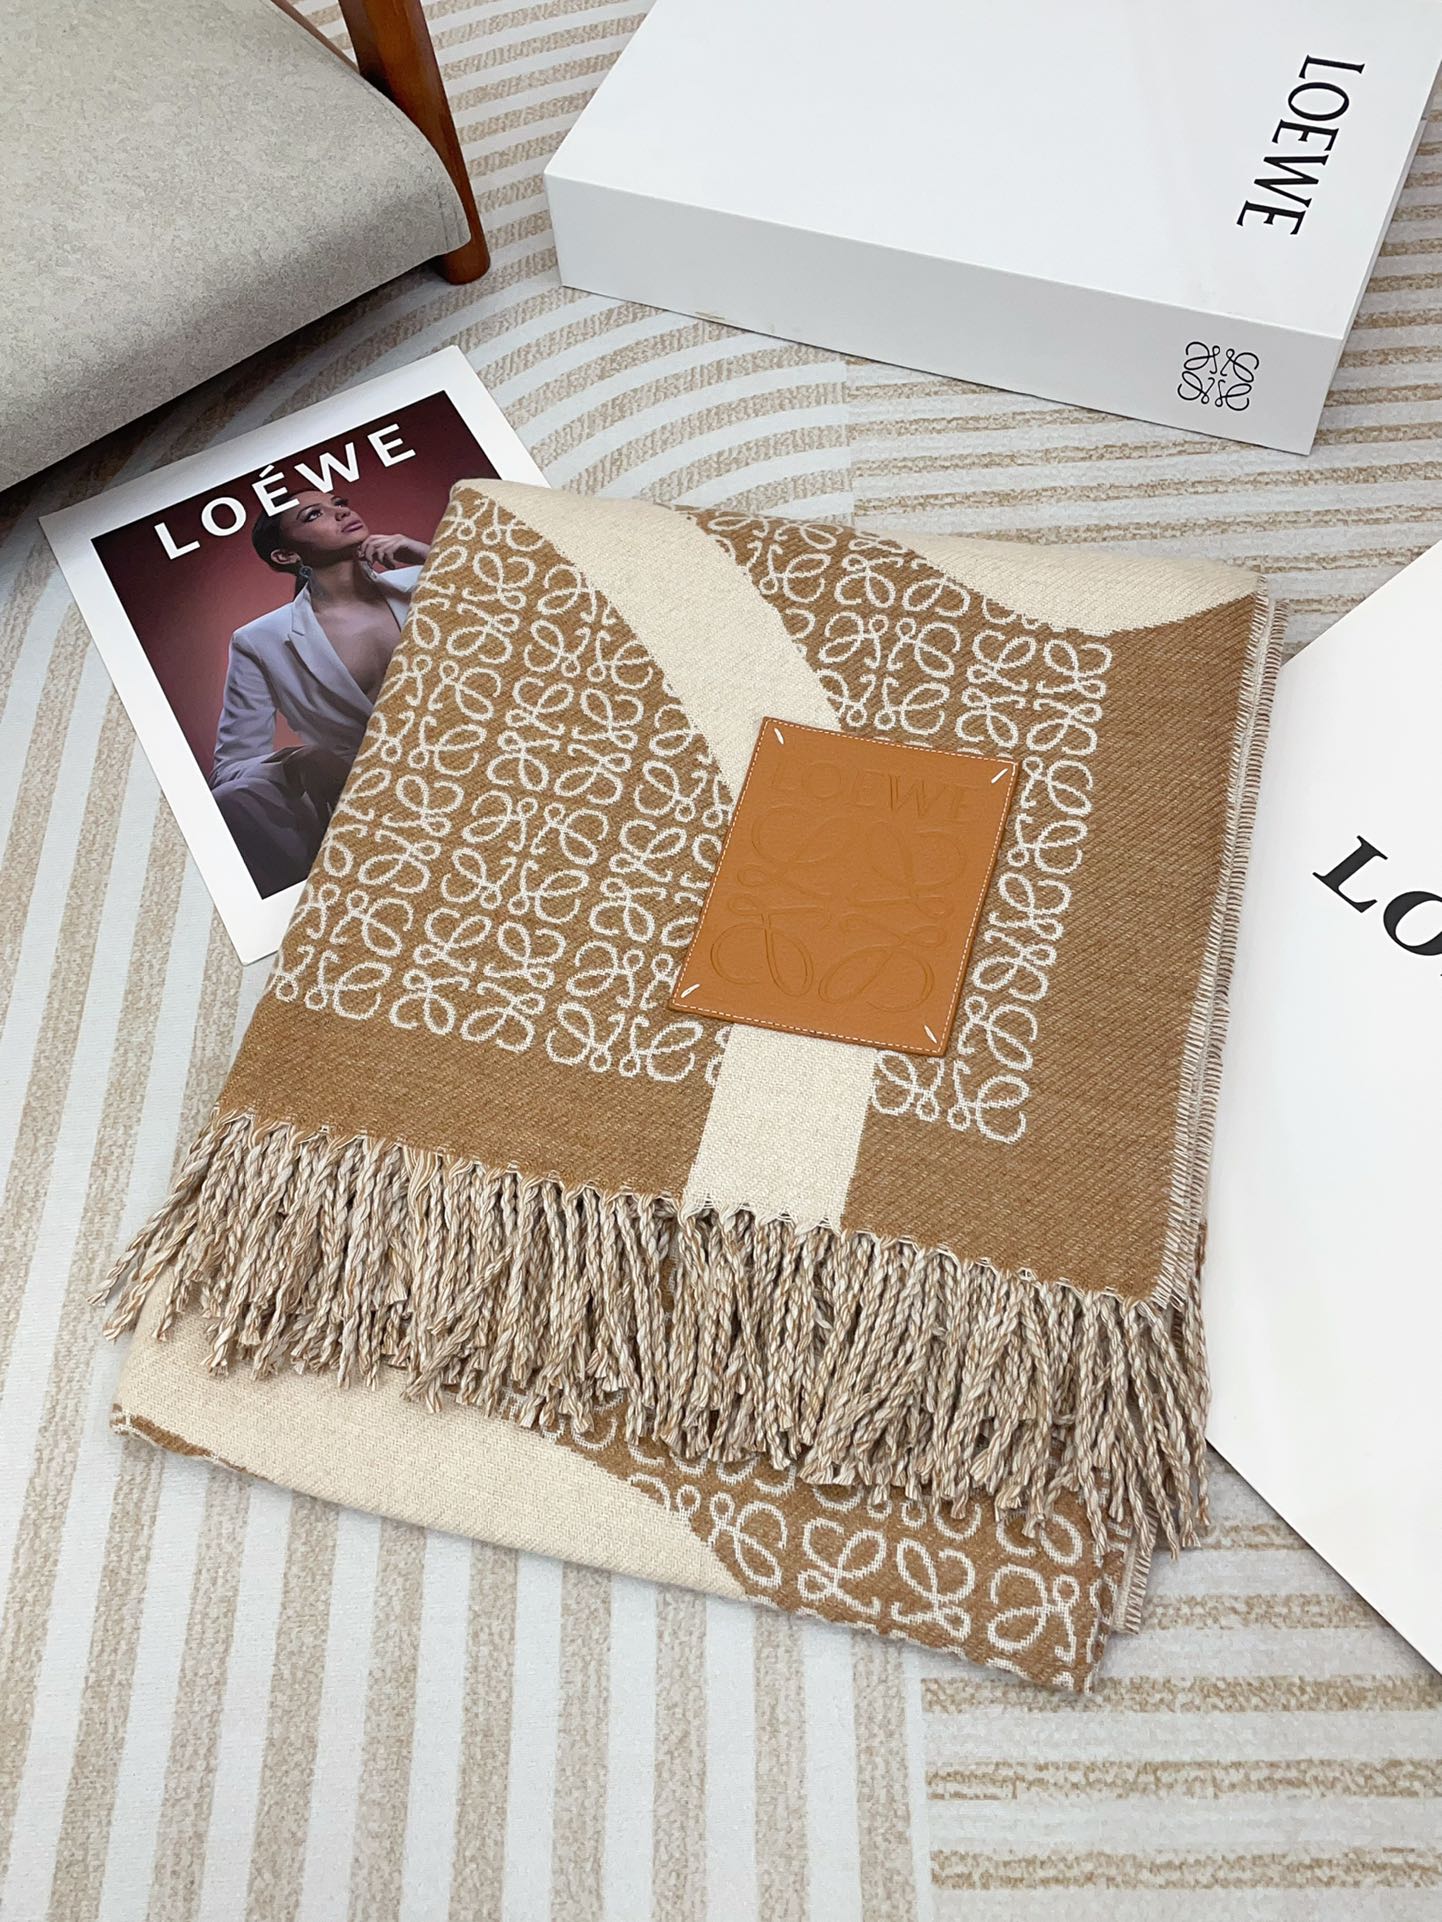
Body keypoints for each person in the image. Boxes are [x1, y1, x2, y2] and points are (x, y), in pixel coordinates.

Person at [210, 490, 429, 896]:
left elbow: (529, 614)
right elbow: (229, 770)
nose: (341, 513)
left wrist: (425, 553)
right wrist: (302, 760)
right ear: (286, 555)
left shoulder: (428, 576)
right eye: (314, 515)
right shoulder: (260, 640)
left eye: (339, 503)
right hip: (375, 806)